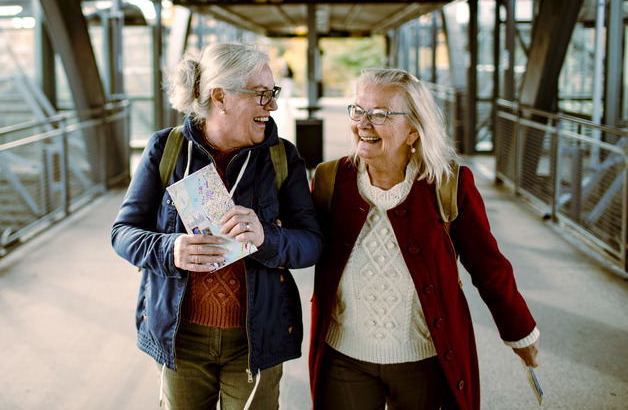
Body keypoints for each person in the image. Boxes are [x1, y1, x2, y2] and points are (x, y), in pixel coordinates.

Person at [308, 68, 539, 410]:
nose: (364, 124)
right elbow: (299, 242)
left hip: (424, 359)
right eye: (358, 110)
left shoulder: (448, 183)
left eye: (381, 114)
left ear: (413, 131)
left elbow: (488, 265)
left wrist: (519, 331)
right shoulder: (329, 180)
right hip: (344, 357)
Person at [111, 42, 323, 410]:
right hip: (180, 339)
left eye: (273, 93)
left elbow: (311, 243)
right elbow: (123, 233)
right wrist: (169, 248)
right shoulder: (167, 149)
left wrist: (266, 237)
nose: (271, 105)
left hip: (255, 340)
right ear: (221, 97)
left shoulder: (281, 156)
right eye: (261, 94)